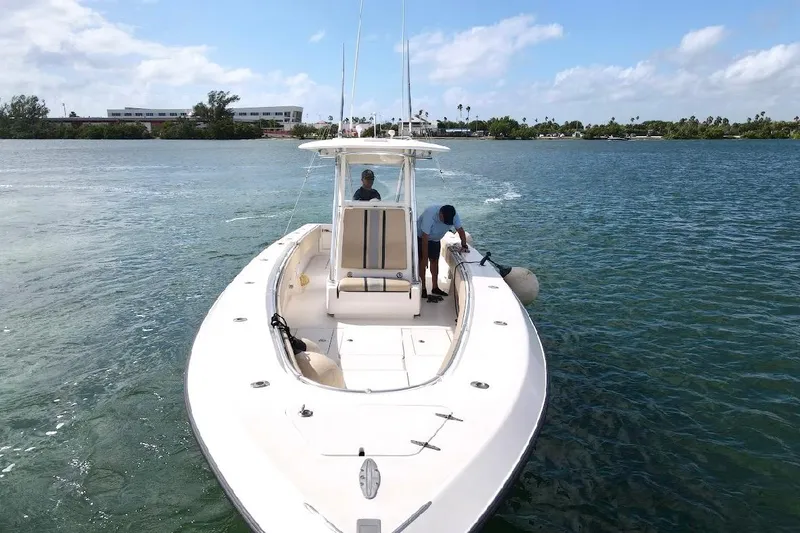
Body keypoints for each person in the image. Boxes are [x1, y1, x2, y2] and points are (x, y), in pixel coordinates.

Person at [417, 204, 469, 299]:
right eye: (445, 221)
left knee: (434, 261)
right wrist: (425, 258)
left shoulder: (453, 215)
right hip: (421, 238)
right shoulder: (430, 214)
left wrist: (464, 245)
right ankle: (423, 288)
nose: (446, 223)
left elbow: (460, 230)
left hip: (435, 240)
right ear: (440, 214)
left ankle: (435, 287)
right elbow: (425, 237)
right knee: (422, 263)